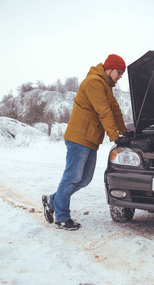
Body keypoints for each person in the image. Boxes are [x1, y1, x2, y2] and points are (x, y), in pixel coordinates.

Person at [42, 54, 129, 230]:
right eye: (119, 72)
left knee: (84, 179)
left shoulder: (106, 86)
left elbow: (116, 111)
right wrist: (115, 136)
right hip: (78, 138)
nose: (120, 76)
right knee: (72, 177)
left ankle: (52, 200)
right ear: (109, 68)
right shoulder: (94, 82)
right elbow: (103, 111)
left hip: (90, 140)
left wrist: (126, 133)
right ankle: (61, 217)